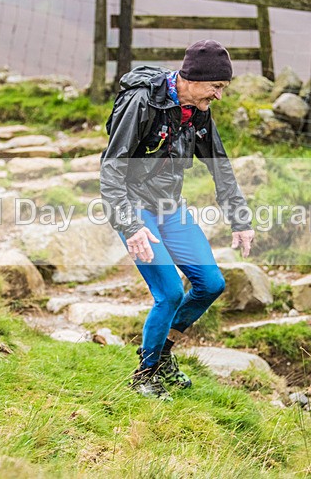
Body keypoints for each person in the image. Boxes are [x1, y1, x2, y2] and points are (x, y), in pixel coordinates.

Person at [101, 40, 255, 400]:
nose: (219, 96)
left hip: (170, 206)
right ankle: (145, 374)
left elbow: (220, 165)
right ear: (193, 79)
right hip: (135, 207)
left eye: (222, 89)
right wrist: (130, 224)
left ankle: (164, 352)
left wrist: (239, 218)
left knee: (211, 283)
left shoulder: (197, 109)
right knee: (169, 293)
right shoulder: (143, 103)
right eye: (216, 87)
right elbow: (112, 167)